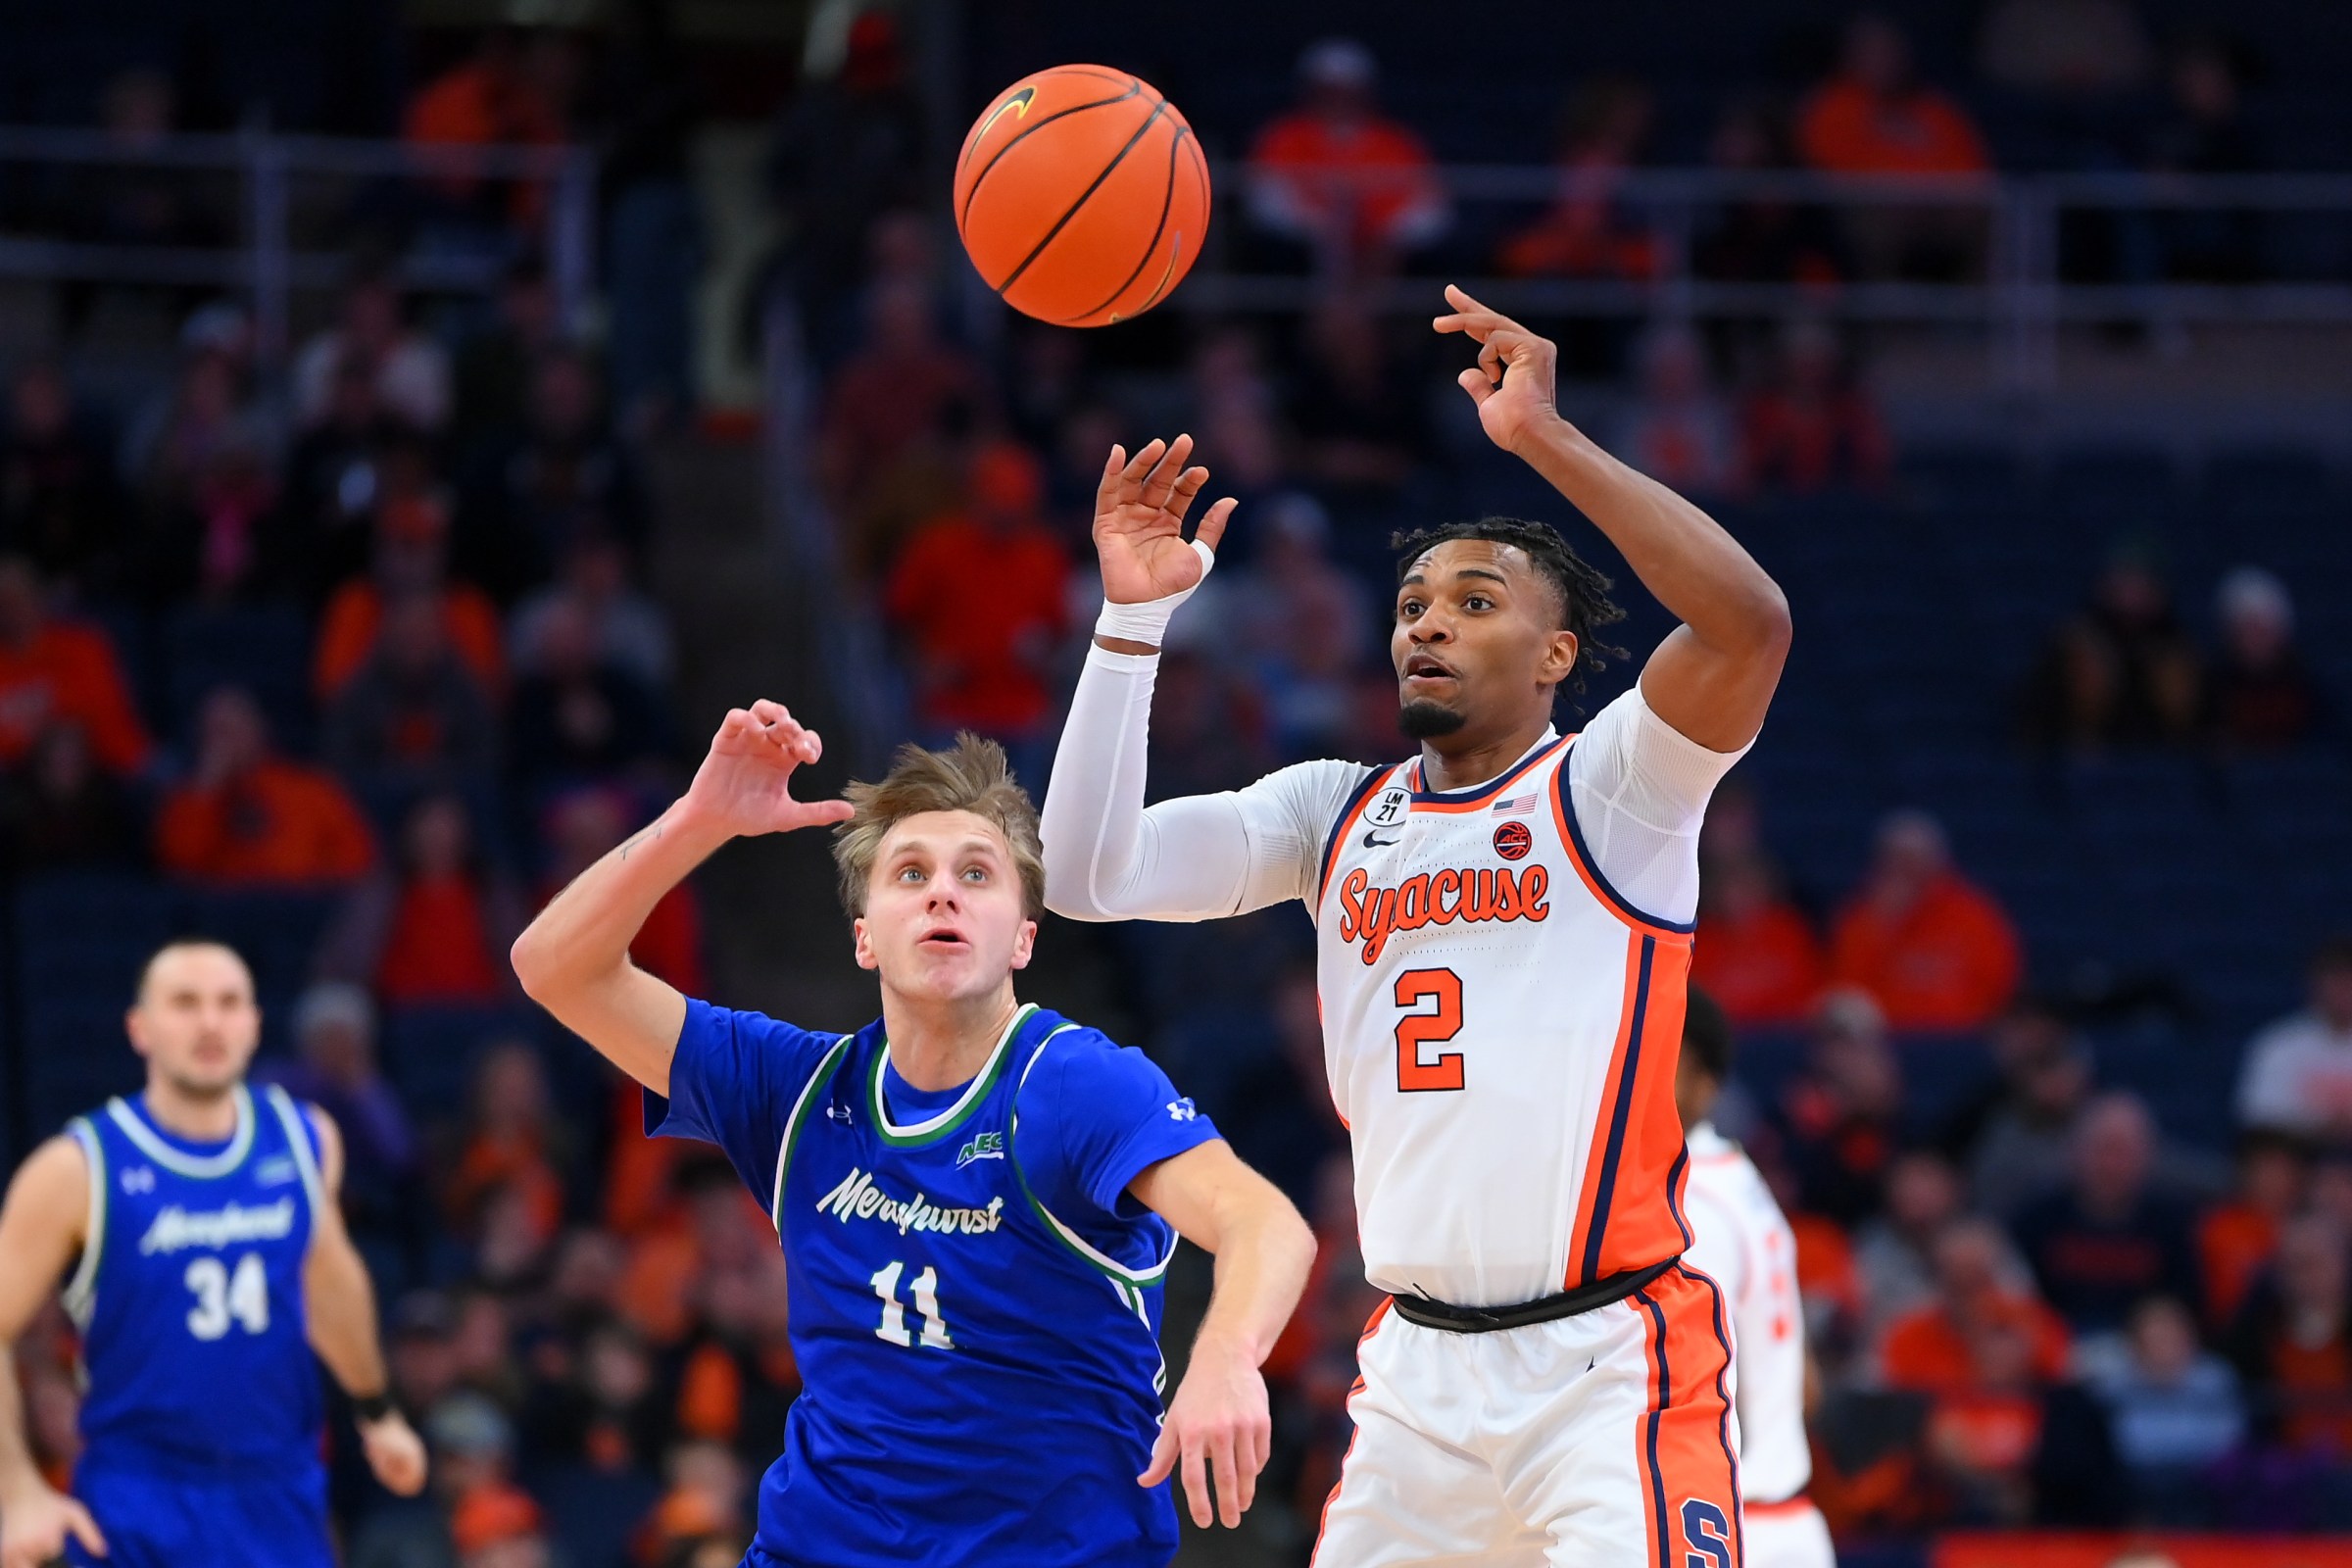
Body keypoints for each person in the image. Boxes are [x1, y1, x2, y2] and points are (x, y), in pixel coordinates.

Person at [1040, 282, 1792, 1563]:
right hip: (1416, 1380)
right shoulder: (1331, 814)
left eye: (1477, 601)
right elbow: (1085, 872)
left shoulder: (1610, 790)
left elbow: (1749, 625)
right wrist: (1130, 621)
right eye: (1412, 605)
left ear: (1558, 656)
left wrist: (1544, 443)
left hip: (1604, 1364)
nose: (1428, 619)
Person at [511, 719, 1317, 1565]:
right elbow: (553, 967)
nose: (943, 893)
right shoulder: (795, 1092)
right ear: (864, 936)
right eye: (910, 874)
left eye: (977, 873)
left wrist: (1226, 1356)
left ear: (1022, 936)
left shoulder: (1072, 1085)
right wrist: (698, 820)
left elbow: (1263, 1222)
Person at [0, 940, 428, 1568]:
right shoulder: (78, 1167)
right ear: (139, 1028)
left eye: (228, 1004)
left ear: (255, 1024)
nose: (209, 1022)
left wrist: (377, 1410)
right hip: (139, 1494)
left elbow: (331, 1284)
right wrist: (16, 1491)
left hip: (279, 1485)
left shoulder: (305, 1140)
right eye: (184, 1003)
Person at [1676, 988, 1835, 1568]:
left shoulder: (1688, 1201)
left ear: (1706, 1084)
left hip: (1726, 1528)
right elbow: (1806, 1383)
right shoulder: (1736, 1175)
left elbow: (1695, 1387)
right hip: (1777, 1521)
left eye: (1657, 1062)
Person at [1244, 38, 1449, 281]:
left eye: (1348, 92)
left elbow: (1428, 207)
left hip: (1381, 252)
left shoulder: (1394, 142)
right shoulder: (1284, 137)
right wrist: (1323, 227)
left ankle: (1361, 314)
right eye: (1328, 91)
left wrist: (1379, 232)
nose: (1338, 101)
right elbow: (1266, 201)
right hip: (1304, 250)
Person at [155, 686, 377, 887]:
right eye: (217, 733)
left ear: (260, 729)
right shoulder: (189, 801)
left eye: (235, 729)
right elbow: (179, 866)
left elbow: (357, 868)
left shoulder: (312, 791)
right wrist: (205, 790)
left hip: (301, 913)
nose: (226, 744)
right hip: (223, 918)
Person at [1829, 809, 2022, 1033]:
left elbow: (2001, 984)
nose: (1905, 869)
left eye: (1913, 858)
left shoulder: (1974, 915)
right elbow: (1847, 992)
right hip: (1885, 1042)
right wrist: (1882, 926)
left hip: (1961, 1040)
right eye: (1894, 858)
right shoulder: (1861, 918)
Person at [2235, 935, 2352, 1140]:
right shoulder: (2279, 1043)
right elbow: (2261, 1122)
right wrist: (2326, 1129)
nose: (2345, 990)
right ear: (2316, 984)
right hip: (2300, 1159)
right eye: (2337, 979)